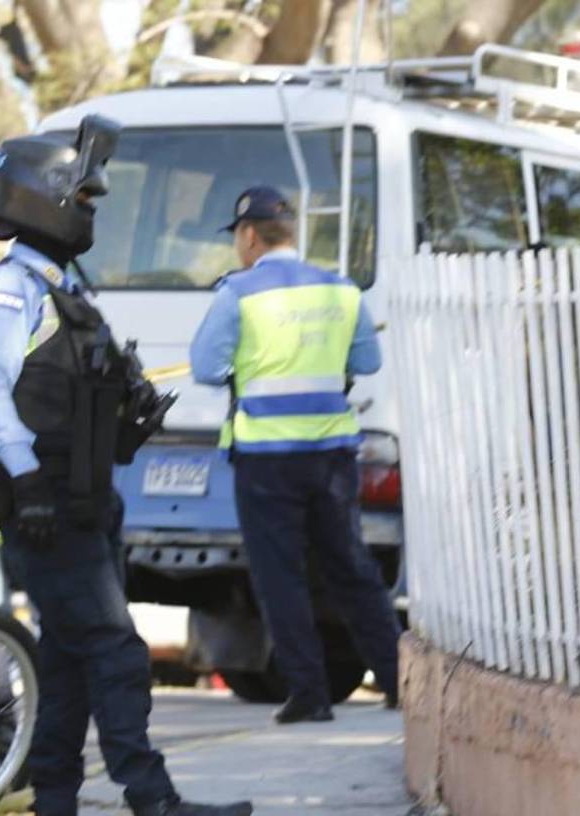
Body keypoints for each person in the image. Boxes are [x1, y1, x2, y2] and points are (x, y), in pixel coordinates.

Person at [0, 115, 250, 816]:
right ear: (45, 199)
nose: (90, 212)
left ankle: (53, 796)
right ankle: (152, 798)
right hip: (47, 502)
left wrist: (127, 410)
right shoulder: (11, 292)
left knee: (65, 662)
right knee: (118, 652)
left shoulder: (64, 289)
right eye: (83, 200)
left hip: (85, 500)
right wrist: (27, 480)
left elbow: (68, 393)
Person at [189, 186, 401, 724]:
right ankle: (401, 679)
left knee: (279, 574)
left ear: (250, 236)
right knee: (351, 566)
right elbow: (367, 361)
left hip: (266, 455)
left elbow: (206, 368)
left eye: (238, 237)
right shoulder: (341, 290)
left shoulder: (237, 293)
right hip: (331, 452)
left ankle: (308, 692)